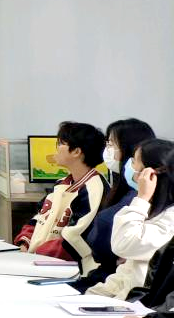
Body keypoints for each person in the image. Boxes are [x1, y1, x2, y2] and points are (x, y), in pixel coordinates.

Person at [83, 137, 174, 301]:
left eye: (134, 161)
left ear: (150, 174)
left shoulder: (169, 218)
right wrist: (90, 297)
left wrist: (142, 198)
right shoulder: (154, 210)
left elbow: (124, 245)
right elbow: (125, 274)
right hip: (126, 301)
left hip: (143, 307)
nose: (130, 165)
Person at [72, 118, 155, 292]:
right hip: (107, 277)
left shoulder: (140, 197)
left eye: (111, 145)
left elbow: (110, 243)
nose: (107, 150)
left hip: (115, 280)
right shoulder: (121, 188)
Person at [14, 121, 107, 272]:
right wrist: (24, 243)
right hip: (40, 261)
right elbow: (39, 217)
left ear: (76, 152)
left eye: (61, 143)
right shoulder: (61, 183)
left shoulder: (94, 188)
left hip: (70, 269)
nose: (56, 148)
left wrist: (37, 254)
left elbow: (76, 238)